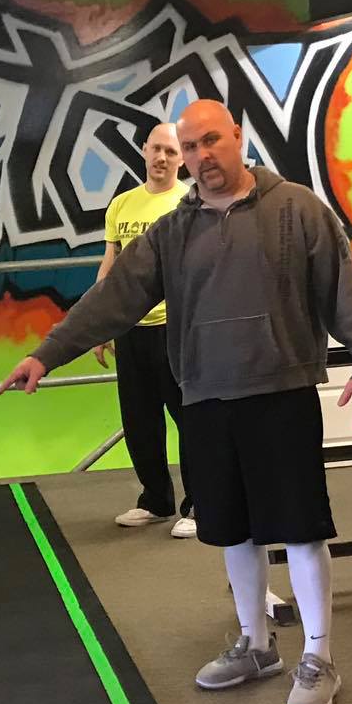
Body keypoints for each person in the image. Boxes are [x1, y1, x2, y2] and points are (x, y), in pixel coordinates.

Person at [0, 98, 352, 704]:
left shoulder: (299, 210)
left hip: (280, 395)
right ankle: (257, 644)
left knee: (301, 531)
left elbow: (343, 294)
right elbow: (114, 297)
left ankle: (319, 656)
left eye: (210, 142)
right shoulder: (171, 232)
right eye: (191, 146)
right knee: (233, 530)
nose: (202, 157)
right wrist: (48, 353)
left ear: (237, 137)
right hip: (205, 395)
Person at [94, 122, 196, 538]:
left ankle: (200, 504)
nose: (162, 159)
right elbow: (110, 265)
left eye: (171, 152)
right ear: (143, 151)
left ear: (182, 158)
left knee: (190, 420)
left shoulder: (190, 203)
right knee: (139, 422)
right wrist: (100, 321)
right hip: (130, 329)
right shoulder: (121, 205)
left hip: (176, 329)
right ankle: (155, 500)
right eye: (156, 150)